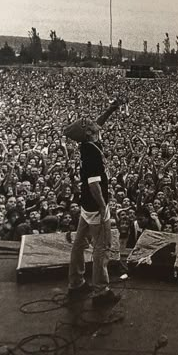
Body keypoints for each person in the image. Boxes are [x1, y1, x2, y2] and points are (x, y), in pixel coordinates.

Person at [65, 98, 125, 305]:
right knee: (102, 247)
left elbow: (98, 123)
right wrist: (103, 206)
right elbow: (94, 185)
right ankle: (101, 291)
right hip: (95, 205)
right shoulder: (91, 153)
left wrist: (111, 109)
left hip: (85, 205)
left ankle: (76, 283)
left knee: (79, 243)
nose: (93, 122)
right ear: (88, 133)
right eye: (89, 124)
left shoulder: (88, 143)